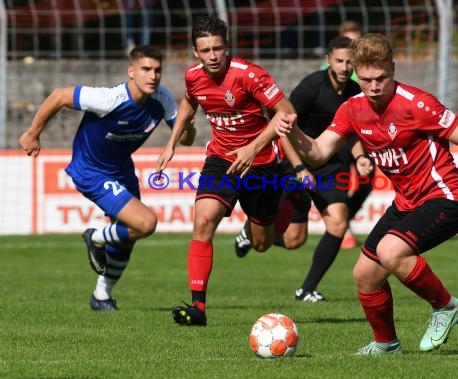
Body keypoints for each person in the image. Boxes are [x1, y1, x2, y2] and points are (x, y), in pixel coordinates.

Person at [273, 33, 458, 354]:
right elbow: (318, 152)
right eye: (366, 79)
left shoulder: (418, 104)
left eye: (382, 78)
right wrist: (294, 132)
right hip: (407, 203)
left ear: (393, 69)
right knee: (365, 275)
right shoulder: (352, 109)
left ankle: (446, 307)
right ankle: (387, 345)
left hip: (446, 198)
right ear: (356, 72)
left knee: (391, 252)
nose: (374, 86)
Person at [155, 14, 304, 327]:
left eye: (217, 48)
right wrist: (171, 142)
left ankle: (292, 199)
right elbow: (188, 103)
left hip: (262, 163)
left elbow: (287, 113)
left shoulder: (250, 75)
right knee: (203, 220)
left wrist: (253, 147)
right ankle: (198, 308)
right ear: (196, 52)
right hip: (221, 159)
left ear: (227, 46)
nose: (212, 56)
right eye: (205, 50)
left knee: (262, 244)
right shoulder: (193, 76)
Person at [19, 45, 179, 311]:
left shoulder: (162, 99)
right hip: (91, 170)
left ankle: (101, 296)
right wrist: (33, 132)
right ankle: (96, 237)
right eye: (146, 69)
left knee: (129, 236)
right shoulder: (108, 99)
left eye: (158, 70)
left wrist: (187, 125)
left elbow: (184, 136)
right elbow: (59, 96)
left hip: (121, 169)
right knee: (146, 222)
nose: (153, 76)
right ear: (131, 72)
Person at [234, 36, 368, 303]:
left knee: (337, 224)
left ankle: (306, 289)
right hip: (295, 164)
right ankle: (250, 232)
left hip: (331, 166)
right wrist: (298, 167)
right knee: (292, 239)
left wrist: (361, 157)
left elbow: (352, 135)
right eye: (340, 60)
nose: (344, 67)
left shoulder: (355, 94)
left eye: (350, 62)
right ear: (328, 59)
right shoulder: (310, 87)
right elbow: (282, 126)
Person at [321, 20, 370, 249]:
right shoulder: (331, 72)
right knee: (341, 181)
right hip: (338, 137)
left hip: (361, 135)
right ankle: (340, 224)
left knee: (367, 181)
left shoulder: (367, 69)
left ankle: (344, 220)